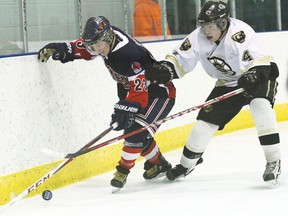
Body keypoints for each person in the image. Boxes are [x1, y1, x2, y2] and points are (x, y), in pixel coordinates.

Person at [146, 1, 281, 187]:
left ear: (222, 24)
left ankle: (273, 161)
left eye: (210, 26)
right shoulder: (199, 36)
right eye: (203, 25)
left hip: (259, 76)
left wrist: (253, 75)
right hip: (228, 83)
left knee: (260, 107)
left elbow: (258, 61)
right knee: (204, 124)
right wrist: (166, 69)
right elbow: (180, 59)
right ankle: (186, 165)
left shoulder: (240, 33)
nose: (206, 30)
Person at [38, 16, 176, 192]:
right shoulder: (105, 39)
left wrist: (127, 108)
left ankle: (122, 171)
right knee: (139, 133)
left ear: (108, 38)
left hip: (158, 94)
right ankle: (159, 165)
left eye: (98, 46)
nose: (96, 50)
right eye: (93, 46)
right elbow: (87, 48)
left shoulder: (128, 54)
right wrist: (65, 49)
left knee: (134, 132)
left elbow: (139, 91)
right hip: (134, 91)